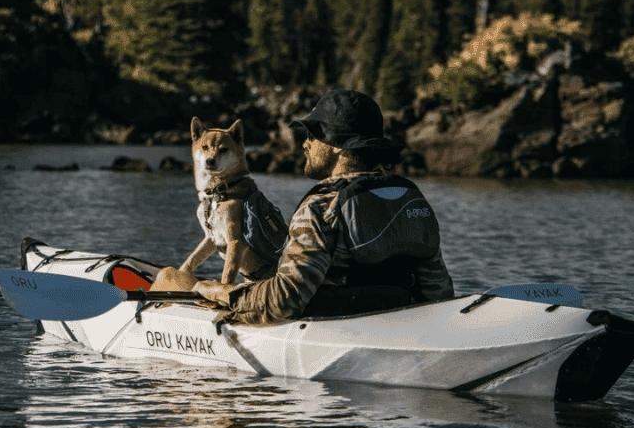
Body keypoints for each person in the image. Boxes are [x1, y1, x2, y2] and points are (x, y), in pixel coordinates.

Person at [193, 89, 454, 324]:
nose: (305, 143)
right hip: (403, 323)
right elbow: (439, 292)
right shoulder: (408, 197)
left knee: (175, 278)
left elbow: (283, 300)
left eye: (314, 134)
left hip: (333, 331)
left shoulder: (321, 207)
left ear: (339, 147)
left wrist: (222, 292)